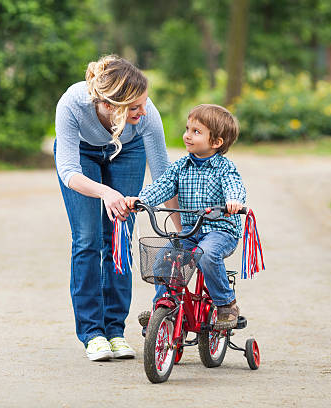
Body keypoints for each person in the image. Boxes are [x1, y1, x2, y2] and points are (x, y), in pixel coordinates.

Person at [54, 55, 179, 361]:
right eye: (134, 107)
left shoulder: (146, 116)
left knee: (119, 238)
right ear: (110, 106)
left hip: (128, 152)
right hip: (82, 156)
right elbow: (69, 172)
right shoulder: (72, 103)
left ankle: (115, 331)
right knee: (87, 240)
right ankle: (92, 334)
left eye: (144, 103)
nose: (144, 111)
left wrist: (182, 227)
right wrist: (106, 192)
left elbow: (163, 176)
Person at [125, 104, 246, 330]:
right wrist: (141, 201)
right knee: (162, 258)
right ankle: (164, 307)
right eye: (187, 129)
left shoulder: (224, 168)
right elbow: (162, 186)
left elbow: (234, 186)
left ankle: (226, 304)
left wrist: (234, 202)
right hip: (190, 230)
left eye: (196, 132)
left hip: (220, 231)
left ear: (216, 142)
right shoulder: (180, 166)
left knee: (207, 255)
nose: (187, 135)